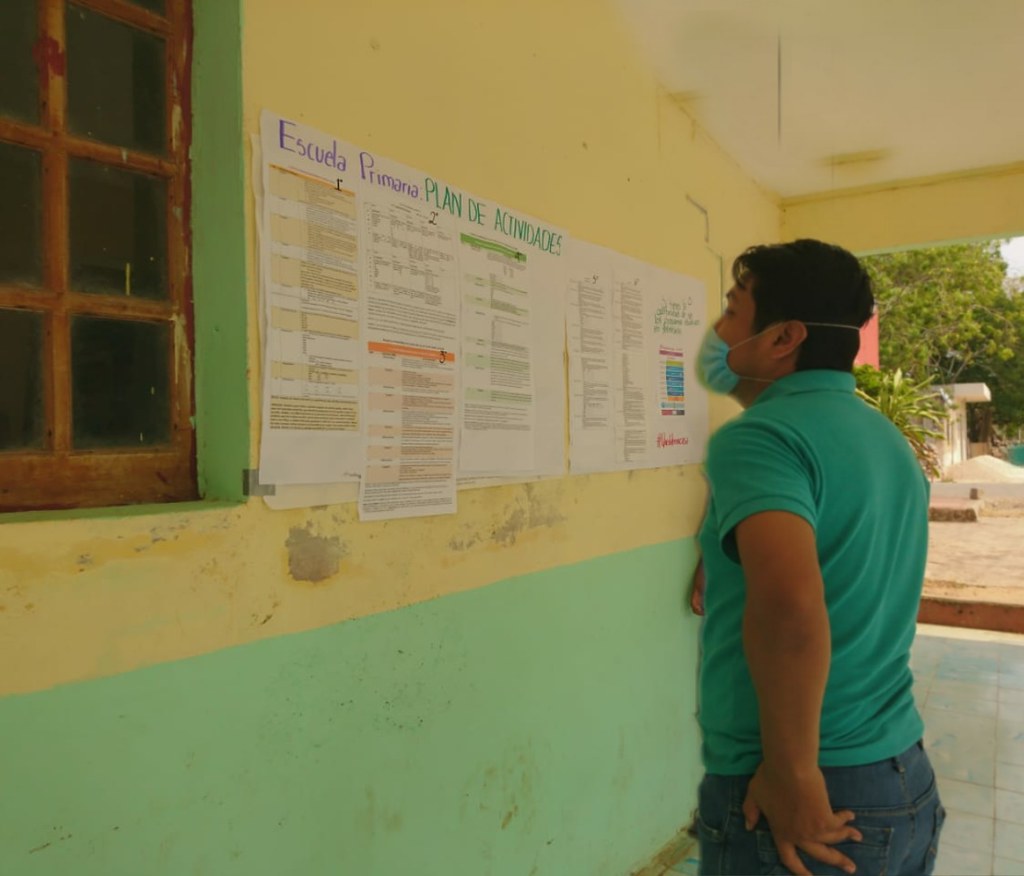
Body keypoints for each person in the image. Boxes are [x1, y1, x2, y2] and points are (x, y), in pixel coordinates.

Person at [692, 239, 944, 876]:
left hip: (808, 795)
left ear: (783, 338)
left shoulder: (759, 438)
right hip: (900, 775)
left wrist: (792, 772)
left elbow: (790, 611)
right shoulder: (887, 441)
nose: (717, 331)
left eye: (731, 310)